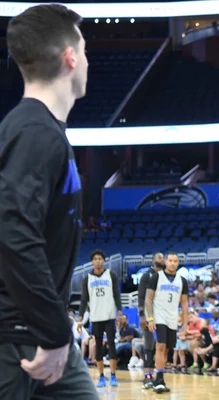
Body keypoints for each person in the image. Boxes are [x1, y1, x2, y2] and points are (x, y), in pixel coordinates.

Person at [0, 4, 96, 398]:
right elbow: (13, 232)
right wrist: (54, 333)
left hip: (43, 333)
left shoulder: (41, 130)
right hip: (17, 339)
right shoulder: (34, 132)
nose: (88, 61)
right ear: (70, 57)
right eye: (85, 51)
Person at [78, 250, 123, 387]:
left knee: (111, 344)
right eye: (95, 259)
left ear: (104, 261)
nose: (98, 261)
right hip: (95, 317)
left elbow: (116, 294)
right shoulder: (87, 279)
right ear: (92, 261)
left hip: (109, 316)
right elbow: (84, 299)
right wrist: (80, 318)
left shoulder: (111, 275)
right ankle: (102, 376)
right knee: (98, 346)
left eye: (100, 258)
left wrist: (119, 313)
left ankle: (113, 375)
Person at [145, 253, 189, 394]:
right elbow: (148, 299)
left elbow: (184, 303)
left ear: (178, 263)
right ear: (166, 261)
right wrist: (150, 318)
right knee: (161, 345)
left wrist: (185, 323)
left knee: (167, 349)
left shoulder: (182, 281)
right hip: (159, 316)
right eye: (170, 260)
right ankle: (159, 379)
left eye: (175, 261)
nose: (172, 263)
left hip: (173, 318)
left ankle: (159, 375)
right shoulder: (156, 277)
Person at [137, 252, 165, 389]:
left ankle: (158, 377)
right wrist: (142, 315)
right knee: (148, 346)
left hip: (163, 315)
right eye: (159, 257)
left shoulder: (166, 276)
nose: (162, 259)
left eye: (163, 257)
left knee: (160, 347)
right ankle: (147, 377)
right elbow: (141, 296)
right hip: (149, 315)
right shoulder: (146, 275)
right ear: (153, 260)